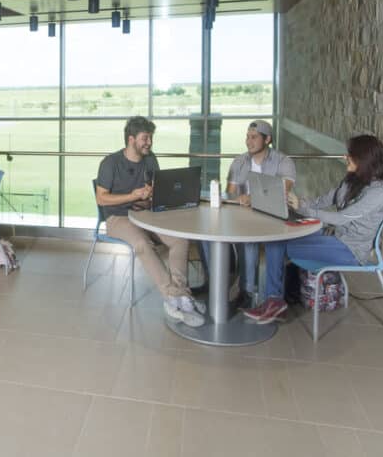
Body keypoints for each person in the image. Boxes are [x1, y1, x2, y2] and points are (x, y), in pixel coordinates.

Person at [244, 134, 383, 325]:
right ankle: (278, 298)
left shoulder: (380, 191)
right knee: (285, 232)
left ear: (364, 159)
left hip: (350, 251)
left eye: (349, 155)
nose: (344, 158)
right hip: (334, 239)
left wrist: (306, 209)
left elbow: (342, 218)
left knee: (276, 242)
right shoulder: (353, 180)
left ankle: (274, 301)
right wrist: (297, 204)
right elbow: (323, 201)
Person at [96, 116, 205, 327]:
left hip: (146, 214)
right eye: (145, 138)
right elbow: (101, 198)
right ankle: (172, 297)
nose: (149, 143)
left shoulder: (150, 159)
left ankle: (181, 295)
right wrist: (133, 196)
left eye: (151, 138)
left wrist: (151, 194)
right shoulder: (110, 163)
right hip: (118, 217)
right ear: (131, 139)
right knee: (142, 244)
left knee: (180, 240)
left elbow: (154, 188)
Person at [198, 120, 296, 308]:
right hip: (243, 214)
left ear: (267, 139)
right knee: (207, 233)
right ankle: (221, 286)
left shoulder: (284, 161)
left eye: (253, 137)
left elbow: (283, 189)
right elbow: (230, 193)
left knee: (254, 239)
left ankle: (253, 292)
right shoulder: (239, 161)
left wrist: (253, 197)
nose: (248, 141)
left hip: (273, 216)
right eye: (247, 137)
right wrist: (237, 198)